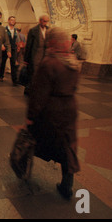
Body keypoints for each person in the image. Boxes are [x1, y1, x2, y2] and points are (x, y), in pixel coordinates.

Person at [25, 26, 80, 200]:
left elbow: (39, 94)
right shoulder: (73, 61)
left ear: (52, 42)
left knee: (33, 139)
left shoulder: (49, 63)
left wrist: (31, 116)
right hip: (69, 108)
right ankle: (67, 185)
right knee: (67, 146)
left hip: (51, 110)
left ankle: (24, 170)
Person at [23, 14, 50, 95]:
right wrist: (26, 59)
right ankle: (30, 89)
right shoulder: (33, 30)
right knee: (33, 74)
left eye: (47, 21)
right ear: (40, 21)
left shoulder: (49, 30)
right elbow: (29, 45)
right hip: (35, 55)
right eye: (44, 21)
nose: (45, 23)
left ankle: (38, 89)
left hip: (44, 56)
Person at [0, 16, 19, 86]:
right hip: (6, 48)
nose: (13, 21)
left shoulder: (15, 30)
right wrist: (2, 45)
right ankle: (1, 76)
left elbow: (16, 39)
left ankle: (14, 80)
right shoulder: (5, 29)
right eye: (12, 20)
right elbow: (1, 38)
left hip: (13, 48)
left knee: (13, 63)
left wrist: (17, 46)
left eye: (14, 20)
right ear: (8, 21)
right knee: (3, 62)